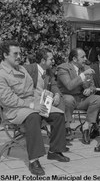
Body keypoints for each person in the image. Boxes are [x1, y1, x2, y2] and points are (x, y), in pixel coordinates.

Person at [0, 41, 69, 176]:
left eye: (20, 53)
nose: (19, 56)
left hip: (31, 103)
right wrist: (32, 105)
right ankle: (33, 161)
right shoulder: (1, 74)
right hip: (14, 109)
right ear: (5, 55)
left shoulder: (22, 69)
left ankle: (54, 151)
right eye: (16, 54)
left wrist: (43, 95)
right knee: (34, 117)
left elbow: (30, 90)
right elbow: (7, 100)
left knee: (58, 115)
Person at [57, 48, 100, 145]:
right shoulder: (63, 68)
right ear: (74, 59)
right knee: (68, 99)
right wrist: (83, 75)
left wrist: (90, 89)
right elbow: (69, 86)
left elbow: (93, 86)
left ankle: (86, 127)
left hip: (82, 100)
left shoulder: (86, 68)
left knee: (97, 98)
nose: (85, 59)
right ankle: (67, 127)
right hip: (68, 99)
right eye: (83, 57)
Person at [24, 48, 68, 138]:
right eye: (51, 59)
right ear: (43, 60)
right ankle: (60, 133)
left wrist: (57, 94)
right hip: (31, 103)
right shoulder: (28, 69)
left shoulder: (49, 71)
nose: (53, 61)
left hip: (43, 102)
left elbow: (54, 85)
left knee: (60, 100)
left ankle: (61, 133)